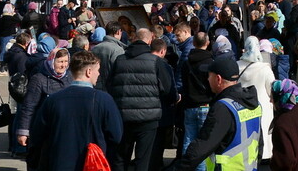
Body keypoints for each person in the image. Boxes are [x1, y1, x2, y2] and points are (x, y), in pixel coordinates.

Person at [27, 51, 124, 171]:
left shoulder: (52, 100)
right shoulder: (104, 100)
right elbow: (116, 136)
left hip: (58, 163)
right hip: (92, 164)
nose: (98, 74)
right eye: (98, 70)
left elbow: (37, 136)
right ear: (89, 72)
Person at [176, 55, 262, 171]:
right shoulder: (254, 103)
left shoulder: (223, 107)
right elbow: (259, 144)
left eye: (209, 75)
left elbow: (202, 146)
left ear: (218, 79)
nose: (207, 79)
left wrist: (181, 167)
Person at [108, 27, 174, 171]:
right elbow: (168, 90)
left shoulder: (120, 60)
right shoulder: (156, 62)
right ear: (150, 40)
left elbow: (110, 85)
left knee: (120, 158)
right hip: (148, 119)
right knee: (143, 160)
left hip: (123, 116)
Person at [15, 48, 72, 151]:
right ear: (52, 61)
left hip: (65, 129)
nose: (63, 65)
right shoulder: (38, 79)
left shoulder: (70, 78)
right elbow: (29, 106)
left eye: (66, 61)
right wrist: (23, 131)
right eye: (60, 62)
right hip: (43, 130)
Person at [236, 36, 276, 162]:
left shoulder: (237, 66)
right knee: (263, 129)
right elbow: (272, 89)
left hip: (243, 105)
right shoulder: (264, 68)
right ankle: (265, 154)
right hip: (262, 105)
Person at [181, 31, 214, 171]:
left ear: (194, 43)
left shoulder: (186, 62)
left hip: (189, 105)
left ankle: (187, 167)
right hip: (206, 106)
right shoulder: (211, 63)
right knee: (204, 142)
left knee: (188, 140)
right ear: (207, 43)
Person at [92, 21, 129, 91]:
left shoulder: (95, 48)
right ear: (118, 32)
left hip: (96, 86)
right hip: (112, 88)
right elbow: (120, 71)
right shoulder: (118, 50)